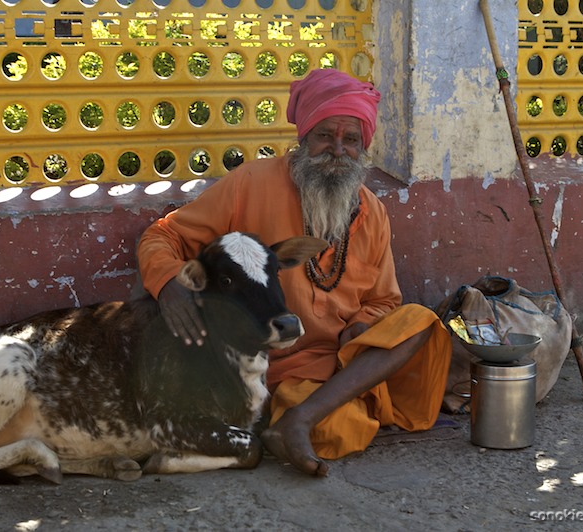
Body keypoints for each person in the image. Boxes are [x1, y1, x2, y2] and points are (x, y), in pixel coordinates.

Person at [136, 68, 452, 477]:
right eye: (325, 135)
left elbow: (384, 300)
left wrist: (359, 325)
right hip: (281, 368)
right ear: (303, 139)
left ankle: (301, 419)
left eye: (351, 140)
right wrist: (168, 285)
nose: (337, 150)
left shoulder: (372, 211)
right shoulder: (251, 183)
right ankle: (305, 416)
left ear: (363, 147)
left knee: (423, 323)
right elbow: (162, 236)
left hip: (345, 360)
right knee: (340, 431)